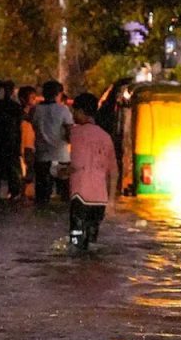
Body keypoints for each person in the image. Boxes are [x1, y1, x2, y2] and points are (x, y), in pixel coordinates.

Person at [67, 93, 118, 253]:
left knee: (76, 243)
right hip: (100, 199)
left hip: (80, 196)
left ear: (82, 111)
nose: (73, 115)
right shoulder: (106, 137)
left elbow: (76, 165)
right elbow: (114, 172)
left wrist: (59, 171)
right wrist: (111, 201)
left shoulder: (76, 133)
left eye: (75, 111)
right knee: (92, 242)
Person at [31, 80, 74, 204]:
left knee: (41, 199)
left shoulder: (35, 110)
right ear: (59, 94)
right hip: (61, 157)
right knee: (65, 198)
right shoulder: (63, 110)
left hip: (42, 158)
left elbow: (34, 126)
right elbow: (70, 133)